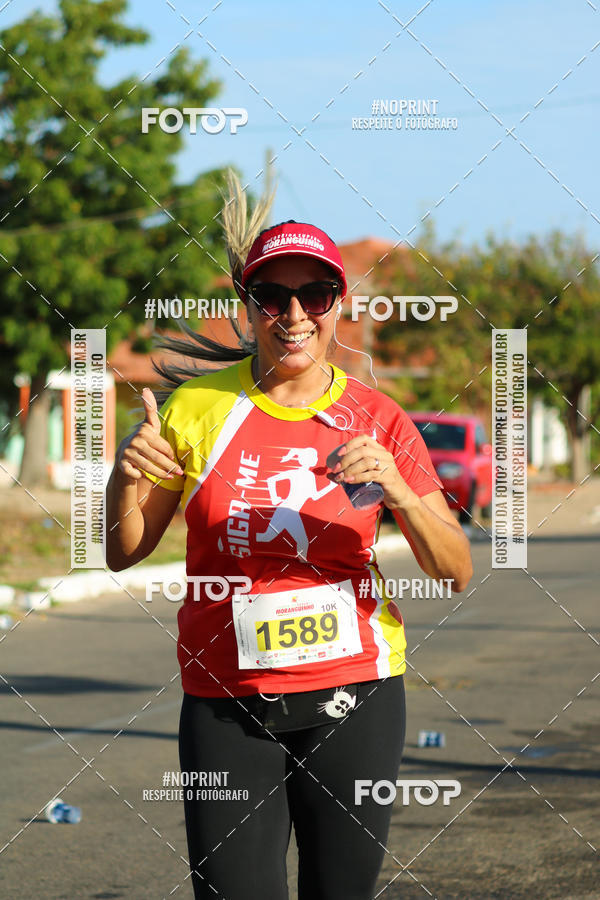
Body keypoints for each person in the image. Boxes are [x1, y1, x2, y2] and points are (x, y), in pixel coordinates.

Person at [105, 173, 473, 899]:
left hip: (356, 695)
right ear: (250, 307)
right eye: (273, 296)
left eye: (315, 295)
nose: (294, 313)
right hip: (225, 700)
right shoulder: (199, 409)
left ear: (338, 306)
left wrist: (398, 489)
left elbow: (455, 570)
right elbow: (124, 550)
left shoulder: (380, 417)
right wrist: (125, 476)